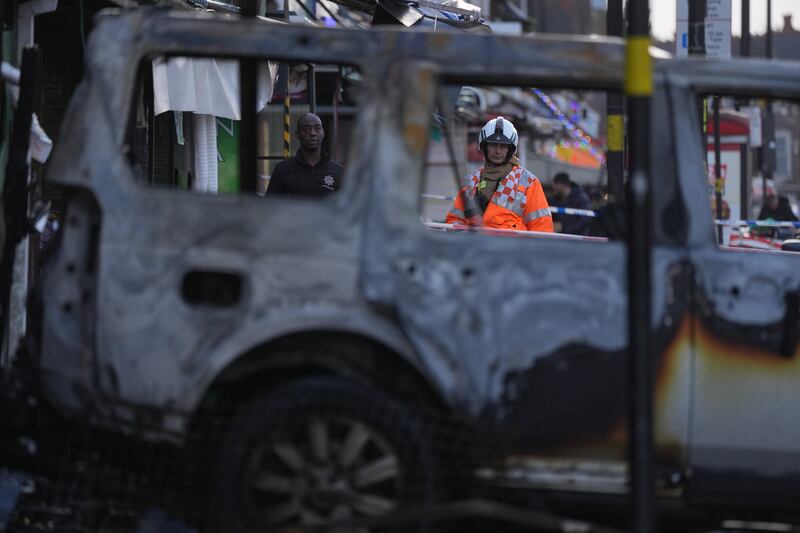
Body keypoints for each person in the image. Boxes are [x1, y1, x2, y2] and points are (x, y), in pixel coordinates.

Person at [445, 117, 553, 232]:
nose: (498, 151)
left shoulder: (528, 182)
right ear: (484, 147)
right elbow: (455, 220)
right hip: (474, 248)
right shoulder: (470, 181)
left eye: (503, 146)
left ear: (511, 149)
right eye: (493, 145)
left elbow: (542, 227)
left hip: (511, 249)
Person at [266, 113, 343, 196]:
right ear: (297, 134)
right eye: (306, 129)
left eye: (317, 129)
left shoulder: (338, 171)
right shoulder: (282, 170)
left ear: (322, 133)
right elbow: (270, 205)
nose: (312, 133)